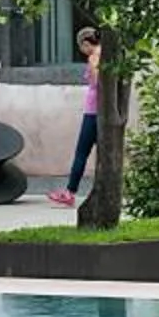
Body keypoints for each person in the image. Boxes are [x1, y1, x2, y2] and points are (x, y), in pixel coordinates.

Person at [47, 27, 103, 207]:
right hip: (100, 112)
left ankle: (70, 192)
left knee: (81, 152)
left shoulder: (94, 57)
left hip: (93, 112)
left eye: (81, 47)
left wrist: (93, 65)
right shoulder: (107, 55)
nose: (81, 51)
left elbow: (96, 81)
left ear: (86, 44)